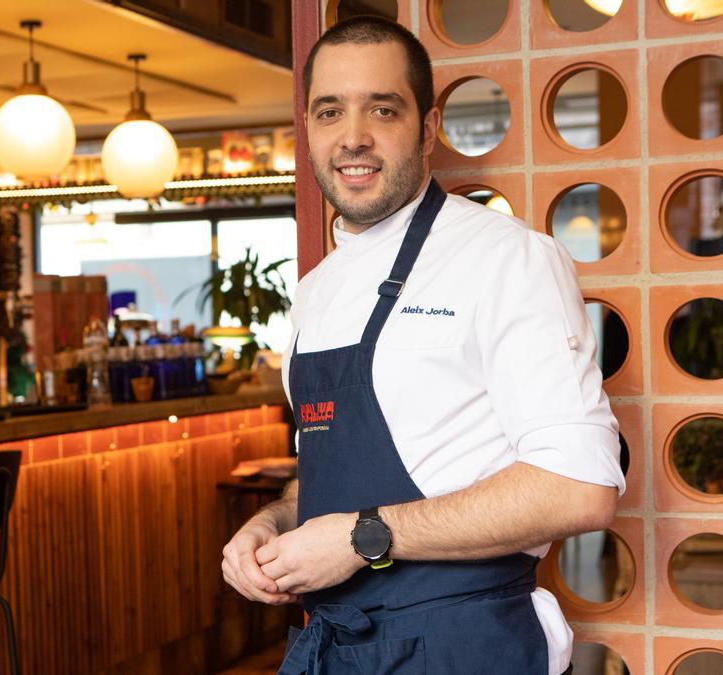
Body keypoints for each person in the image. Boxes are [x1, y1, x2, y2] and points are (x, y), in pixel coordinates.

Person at [220, 16, 624, 675]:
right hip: (337, 648)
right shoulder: (315, 293)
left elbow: (580, 486)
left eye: (383, 109)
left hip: (464, 648)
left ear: (428, 129)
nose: (353, 137)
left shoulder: (505, 259)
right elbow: (336, 474)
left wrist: (363, 538)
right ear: (309, 129)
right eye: (329, 111)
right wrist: (272, 523)